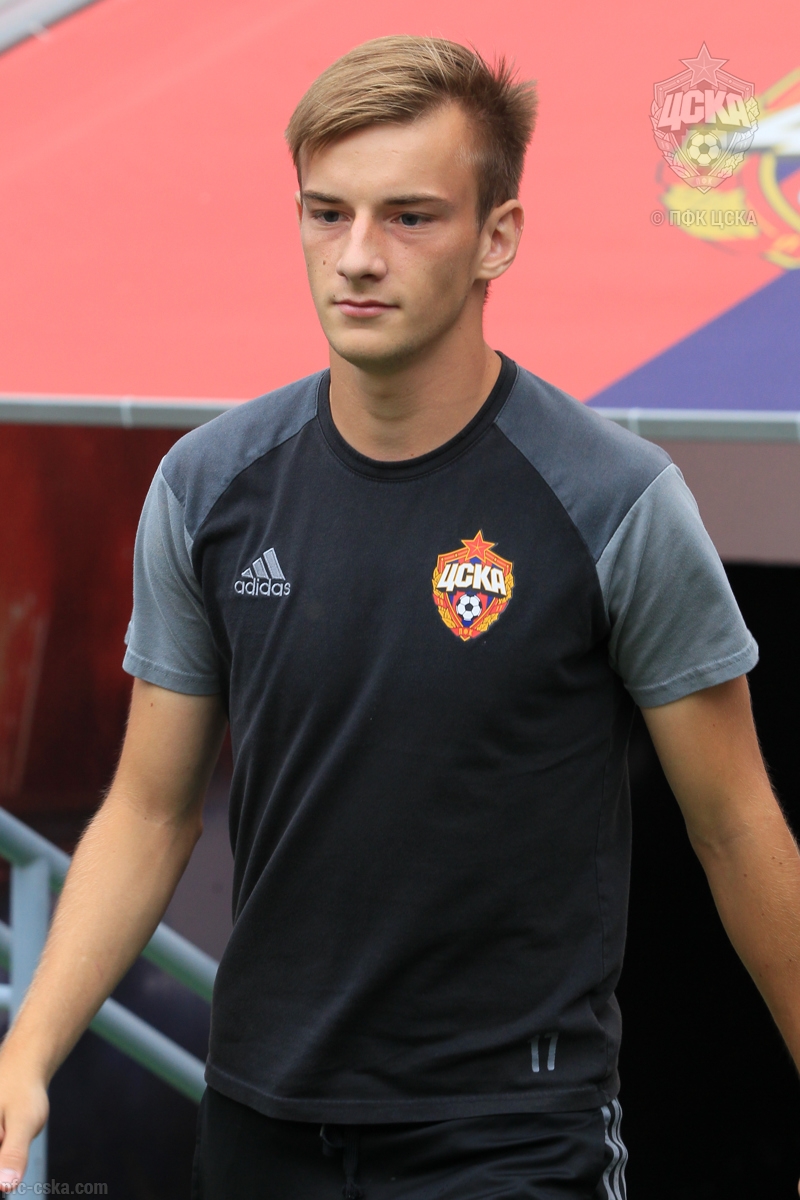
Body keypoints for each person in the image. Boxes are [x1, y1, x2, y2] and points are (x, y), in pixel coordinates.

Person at [0, 34, 798, 1200]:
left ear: (497, 238)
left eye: (410, 217)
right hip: (259, 1121)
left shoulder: (614, 502)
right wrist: (26, 1052)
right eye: (326, 213)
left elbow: (733, 829)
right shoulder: (206, 489)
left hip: (509, 1136)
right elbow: (150, 810)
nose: (357, 257)